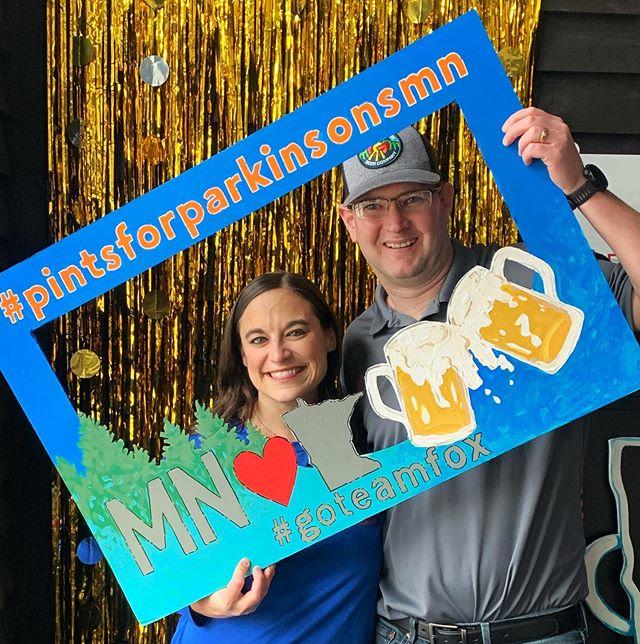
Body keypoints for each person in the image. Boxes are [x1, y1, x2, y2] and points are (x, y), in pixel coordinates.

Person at [339, 108, 640, 643]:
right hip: (402, 634)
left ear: (446, 201)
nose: (395, 223)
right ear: (349, 221)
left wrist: (577, 183)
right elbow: (334, 505)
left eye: (412, 199)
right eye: (373, 206)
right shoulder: (350, 347)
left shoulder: (530, 286)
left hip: (539, 634)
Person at [171, 272, 382, 643]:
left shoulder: (371, 435)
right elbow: (163, 571)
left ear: (330, 336)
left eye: (297, 332)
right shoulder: (207, 453)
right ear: (241, 353)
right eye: (258, 340)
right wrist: (202, 603)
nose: (279, 354)